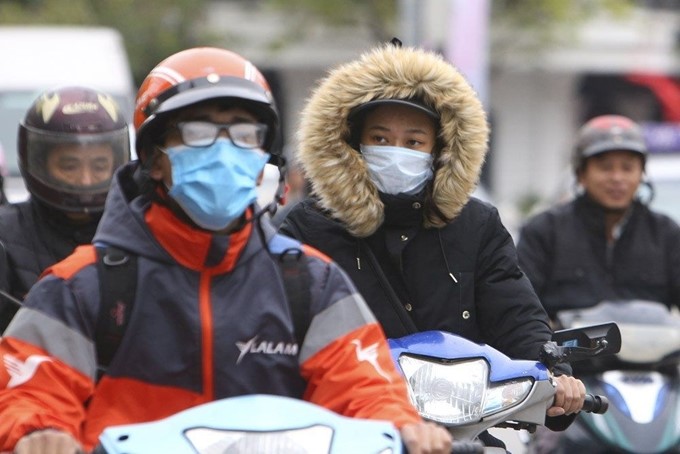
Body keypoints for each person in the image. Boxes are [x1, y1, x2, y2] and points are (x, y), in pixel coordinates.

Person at [0, 47, 451, 454]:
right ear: (155, 158)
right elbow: (29, 393)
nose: (223, 151)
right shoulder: (82, 284)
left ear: (262, 159)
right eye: (198, 133)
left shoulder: (312, 282)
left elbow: (368, 390)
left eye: (244, 135)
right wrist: (39, 434)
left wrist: (402, 427)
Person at [278, 40, 586, 448]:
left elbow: (514, 311)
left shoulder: (477, 224)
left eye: (414, 142)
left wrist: (554, 374)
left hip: (462, 431)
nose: (396, 153)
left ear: (440, 150)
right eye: (381, 139)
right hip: (349, 428)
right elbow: (277, 331)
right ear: (352, 144)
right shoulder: (305, 227)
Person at [516, 114, 680, 319]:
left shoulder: (667, 234)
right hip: (571, 350)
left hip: (652, 350)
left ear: (641, 174)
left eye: (628, 168)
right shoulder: (544, 231)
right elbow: (519, 308)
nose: (617, 178)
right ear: (581, 174)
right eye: (605, 167)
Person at [0, 86, 130, 331]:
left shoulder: (138, 236)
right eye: (69, 166)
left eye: (99, 166)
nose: (85, 180)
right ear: (38, 162)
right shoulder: (5, 237)